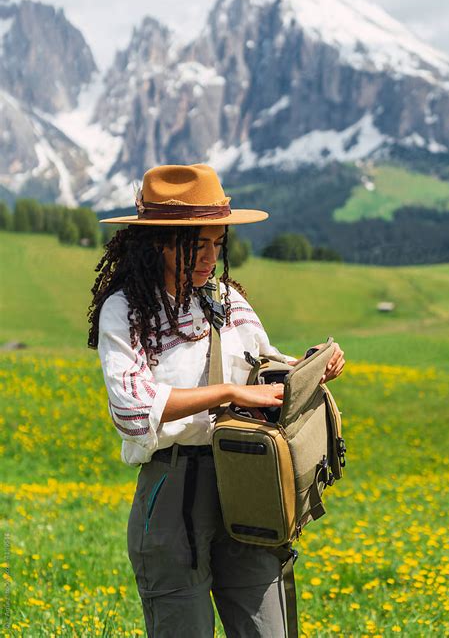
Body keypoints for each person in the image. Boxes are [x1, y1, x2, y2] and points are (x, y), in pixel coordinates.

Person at [87, 163, 345, 638]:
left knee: (269, 630)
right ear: (160, 243)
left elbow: (265, 365)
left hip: (248, 480)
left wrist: (309, 366)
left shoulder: (228, 299)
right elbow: (131, 408)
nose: (209, 257)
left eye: (216, 243)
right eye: (197, 244)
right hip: (171, 489)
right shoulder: (124, 311)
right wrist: (226, 393)